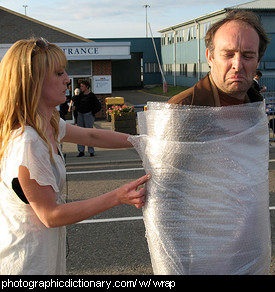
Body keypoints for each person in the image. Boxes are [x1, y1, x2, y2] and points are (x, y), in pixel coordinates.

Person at [0, 37, 150, 275]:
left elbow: (92, 137)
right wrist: (118, 196)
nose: (67, 80)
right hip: (25, 266)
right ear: (33, 82)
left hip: (43, 259)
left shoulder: (47, 123)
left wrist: (144, 143)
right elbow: (50, 215)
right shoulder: (28, 142)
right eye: (59, 73)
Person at [169, 10, 270, 106]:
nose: (237, 66)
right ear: (210, 57)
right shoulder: (180, 109)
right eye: (228, 55)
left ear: (258, 61)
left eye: (248, 56)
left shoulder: (257, 105)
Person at [73, 80, 101, 157]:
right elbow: (75, 103)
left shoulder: (91, 95)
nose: (81, 88)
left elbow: (98, 106)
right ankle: (81, 150)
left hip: (88, 114)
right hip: (80, 114)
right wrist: (76, 95)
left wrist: (92, 112)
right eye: (80, 86)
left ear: (87, 87)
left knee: (89, 133)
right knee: (80, 133)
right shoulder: (80, 95)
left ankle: (91, 151)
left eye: (82, 86)